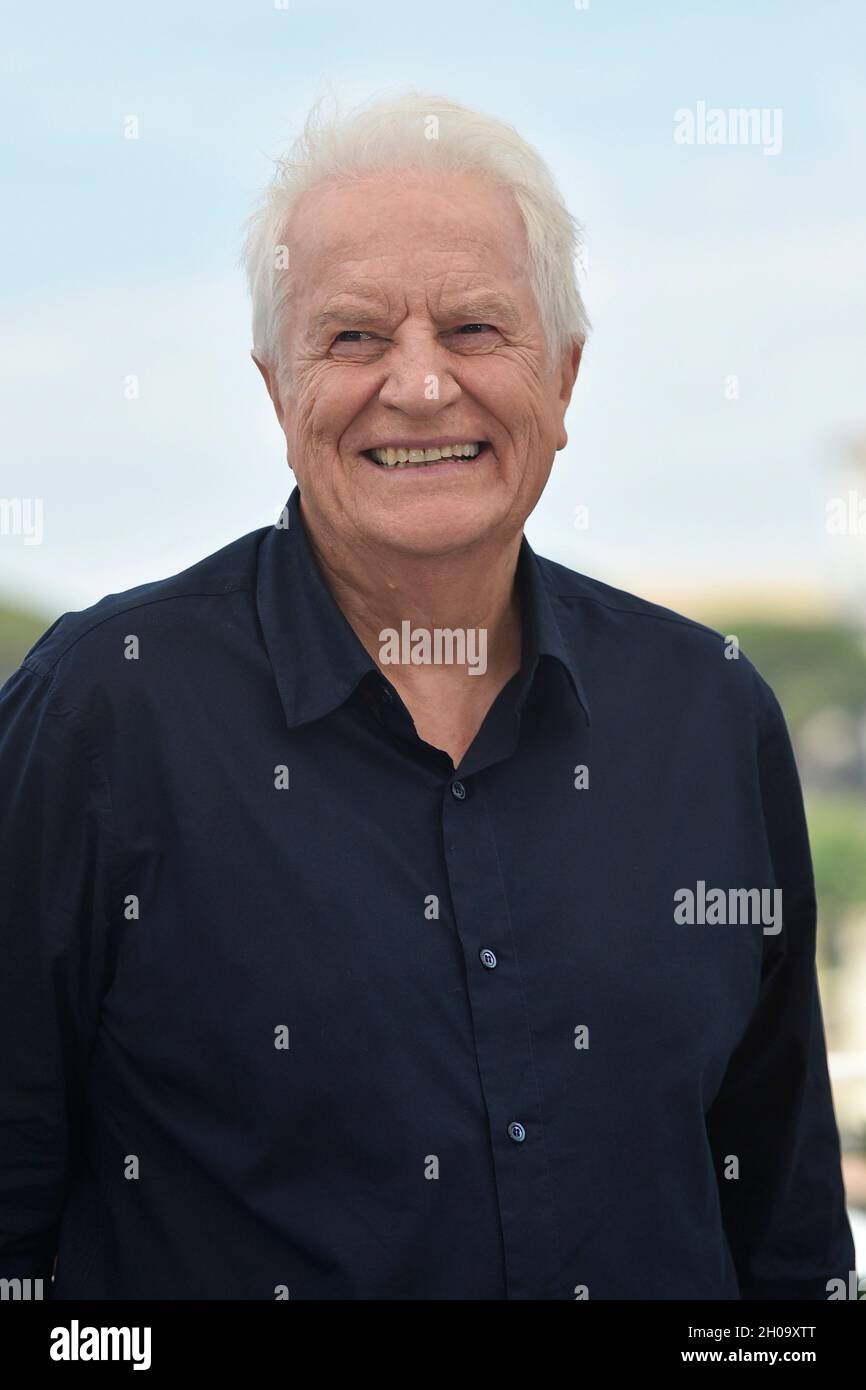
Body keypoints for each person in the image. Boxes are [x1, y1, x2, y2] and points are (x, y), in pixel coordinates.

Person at [0, 91, 854, 1300]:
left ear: (561, 379)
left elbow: (783, 1232)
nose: (417, 387)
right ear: (274, 390)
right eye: (351, 337)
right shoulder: (99, 714)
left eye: (471, 328)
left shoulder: (710, 715)